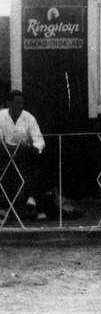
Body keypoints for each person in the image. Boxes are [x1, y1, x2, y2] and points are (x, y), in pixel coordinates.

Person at [0, 90, 47, 219]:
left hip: (24, 154)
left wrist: (31, 147)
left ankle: (33, 199)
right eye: (17, 103)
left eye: (22, 103)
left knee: (35, 159)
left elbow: (39, 141)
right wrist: (9, 150)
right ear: (8, 103)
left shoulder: (29, 118)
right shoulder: (1, 116)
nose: (20, 106)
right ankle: (5, 207)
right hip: (5, 152)